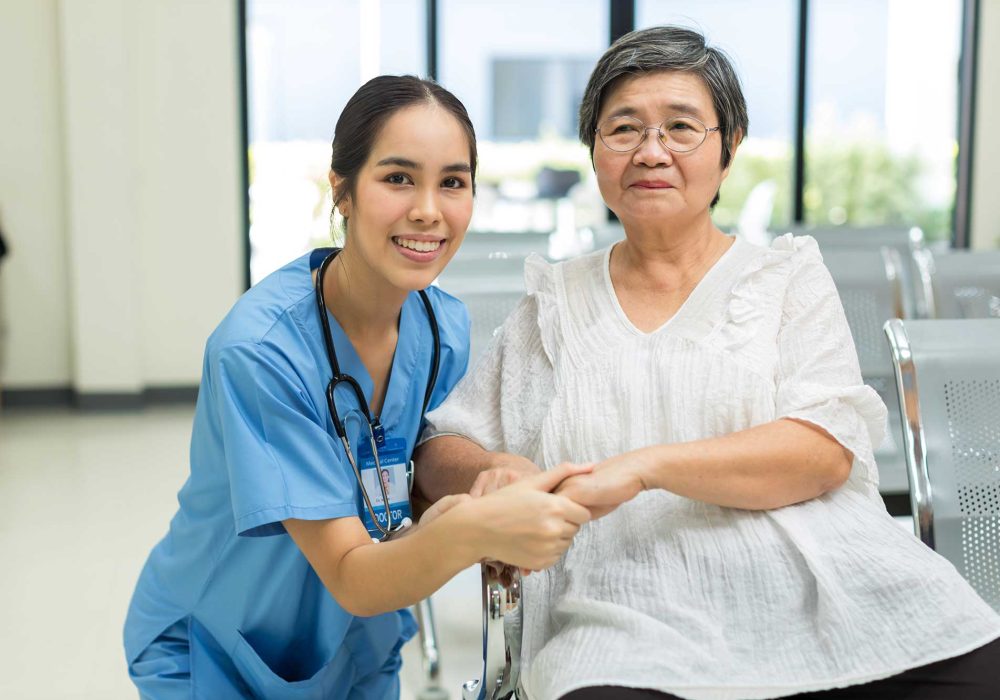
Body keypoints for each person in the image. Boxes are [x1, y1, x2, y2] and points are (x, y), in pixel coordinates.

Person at [415, 27, 1000, 700]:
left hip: (830, 590)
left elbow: (821, 451)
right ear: (596, 152)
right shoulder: (554, 302)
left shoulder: (785, 278)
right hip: (626, 610)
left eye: (682, 127)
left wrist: (641, 469)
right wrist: (491, 468)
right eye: (623, 129)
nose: (651, 151)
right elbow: (440, 446)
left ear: (731, 146)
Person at [123, 75, 591, 699]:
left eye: (452, 181)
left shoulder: (439, 324)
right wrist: (472, 531)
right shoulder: (261, 354)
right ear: (341, 190)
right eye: (398, 178)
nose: (429, 209)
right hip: (217, 648)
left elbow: (410, 463)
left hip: (355, 643)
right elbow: (351, 570)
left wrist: (491, 470)